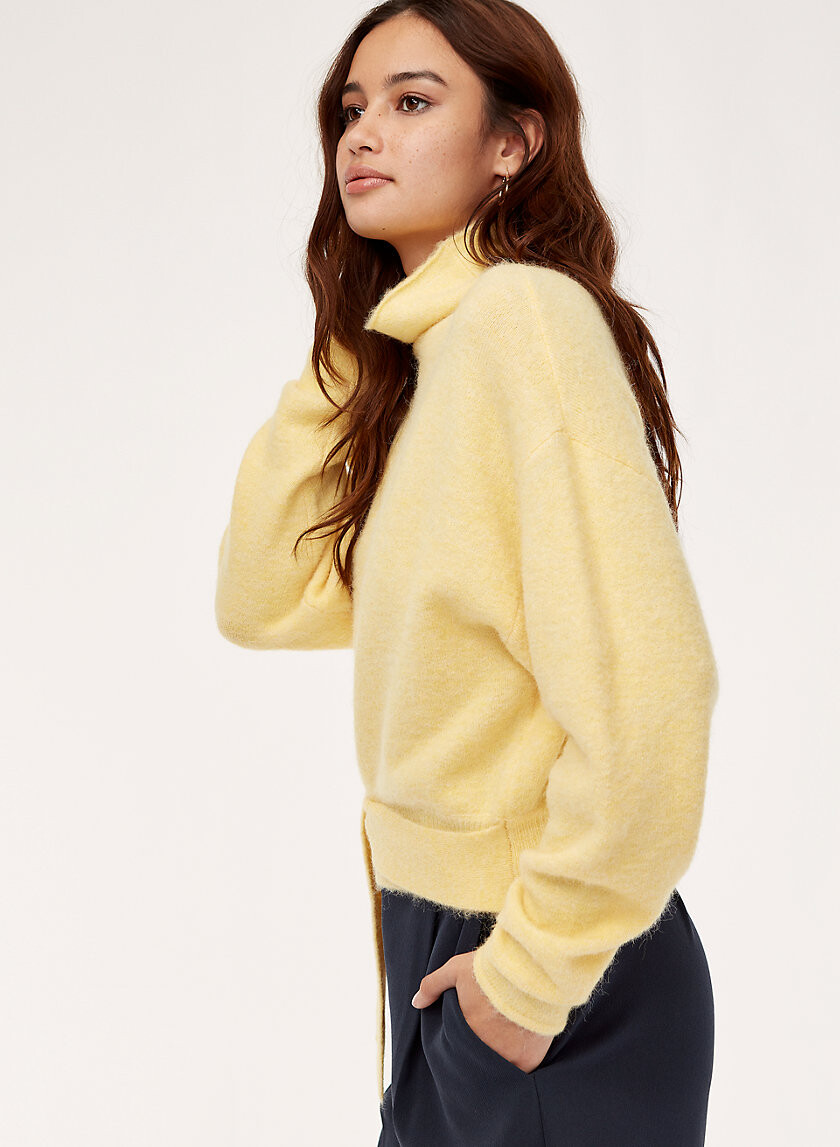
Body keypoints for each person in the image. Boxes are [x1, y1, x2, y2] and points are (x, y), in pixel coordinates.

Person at [214, 1, 720, 1143]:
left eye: (412, 101)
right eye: (352, 108)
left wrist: (529, 979)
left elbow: (651, 692)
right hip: (455, 942)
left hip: (542, 962)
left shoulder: (522, 322)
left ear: (512, 143)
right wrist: (357, 340)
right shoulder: (432, 358)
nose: (362, 134)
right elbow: (261, 597)